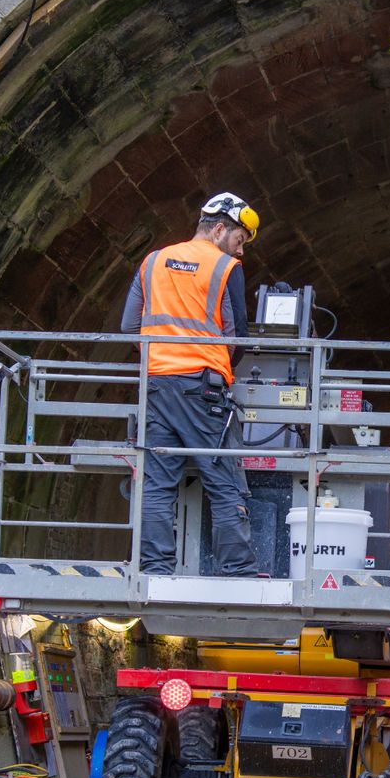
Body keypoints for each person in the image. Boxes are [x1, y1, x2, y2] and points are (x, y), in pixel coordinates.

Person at [121, 192, 262, 576]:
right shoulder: (224, 268)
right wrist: (216, 366)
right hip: (203, 390)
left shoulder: (152, 262)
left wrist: (162, 359)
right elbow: (238, 337)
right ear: (219, 230)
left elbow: (129, 327)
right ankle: (238, 570)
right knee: (224, 480)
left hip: (156, 388)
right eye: (239, 241)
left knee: (156, 483)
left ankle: (154, 569)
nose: (240, 252)